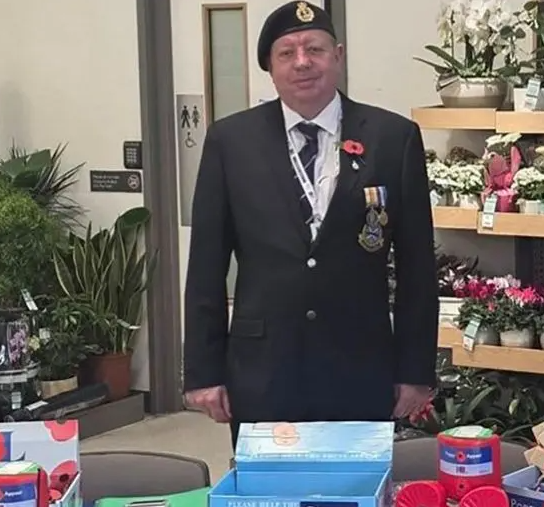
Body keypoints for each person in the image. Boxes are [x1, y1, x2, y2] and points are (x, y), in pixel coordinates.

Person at [183, 0, 438, 447]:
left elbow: (418, 266)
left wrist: (415, 370)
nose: (303, 62)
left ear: (337, 55)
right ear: (270, 66)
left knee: (355, 490)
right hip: (262, 369)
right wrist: (203, 372)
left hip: (360, 367)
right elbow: (206, 264)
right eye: (287, 52)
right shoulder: (231, 141)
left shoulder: (392, 138)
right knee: (267, 493)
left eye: (314, 49)